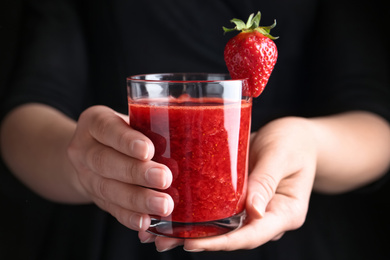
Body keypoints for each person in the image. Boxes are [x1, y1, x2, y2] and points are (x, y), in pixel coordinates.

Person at [1, 0, 389, 259]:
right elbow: (27, 110)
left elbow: (376, 119)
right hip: (119, 227)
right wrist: (83, 166)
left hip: (284, 223)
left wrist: (311, 143)